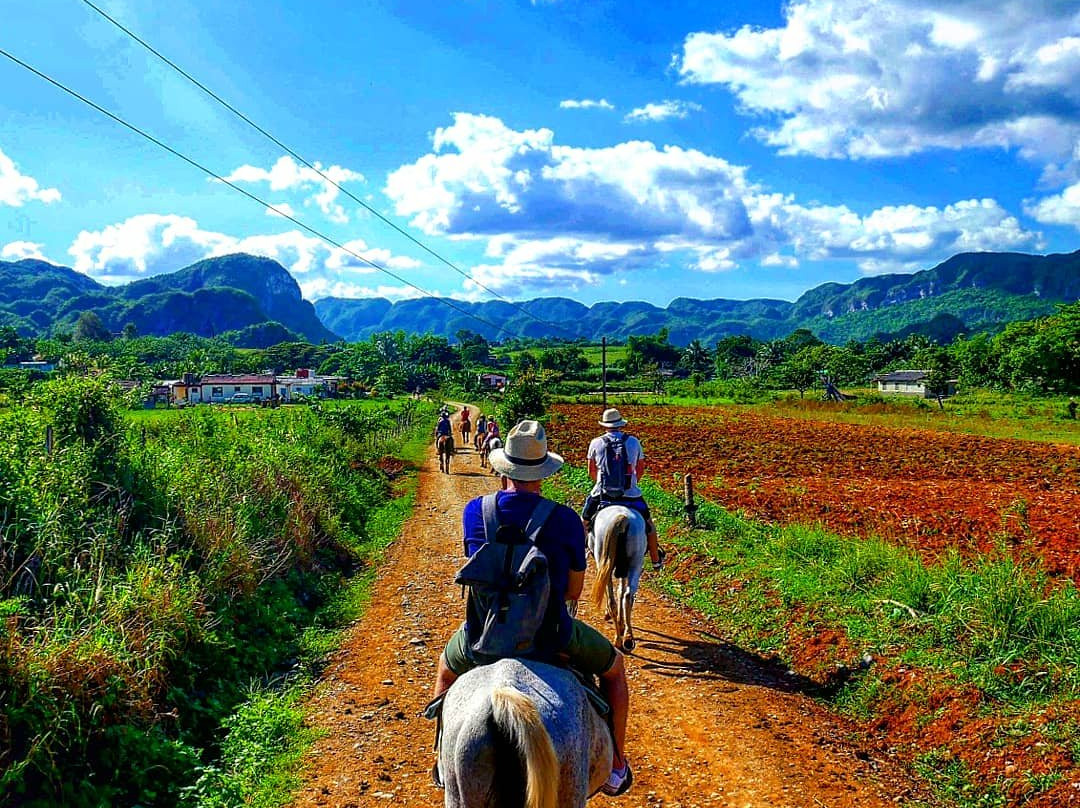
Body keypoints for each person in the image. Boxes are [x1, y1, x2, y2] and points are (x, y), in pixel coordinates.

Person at [431, 420, 633, 796]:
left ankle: (442, 761)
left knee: (445, 672)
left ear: (503, 467)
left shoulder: (475, 512)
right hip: (552, 634)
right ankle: (617, 765)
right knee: (615, 671)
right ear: (543, 471)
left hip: (482, 636)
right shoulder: (566, 520)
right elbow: (573, 592)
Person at [581, 407, 665, 570]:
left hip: (602, 495)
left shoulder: (596, 443)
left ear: (605, 425)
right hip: (631, 495)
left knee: (583, 522)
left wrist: (602, 484)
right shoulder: (633, 442)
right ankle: (656, 559)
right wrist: (630, 485)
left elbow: (591, 471)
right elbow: (640, 469)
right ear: (620, 424)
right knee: (649, 525)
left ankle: (577, 557)